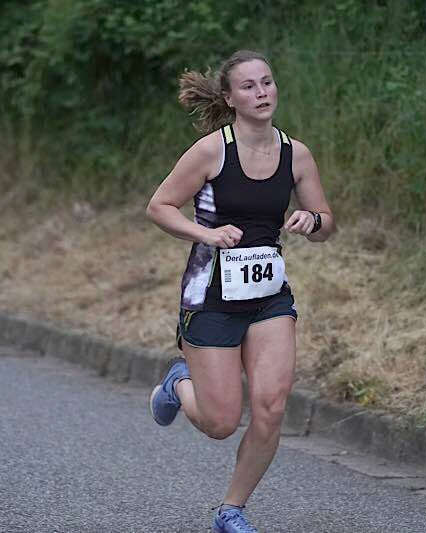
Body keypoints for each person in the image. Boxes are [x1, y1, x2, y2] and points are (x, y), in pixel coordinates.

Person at [145, 49, 335, 533]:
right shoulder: (212, 151)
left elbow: (326, 222)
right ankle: (177, 383)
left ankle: (232, 509)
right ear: (230, 98)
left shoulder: (296, 153)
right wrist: (206, 234)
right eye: (249, 86)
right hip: (209, 293)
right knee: (221, 422)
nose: (262, 92)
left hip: (269, 296)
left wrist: (311, 220)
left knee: (271, 406)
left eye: (267, 83)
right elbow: (160, 206)